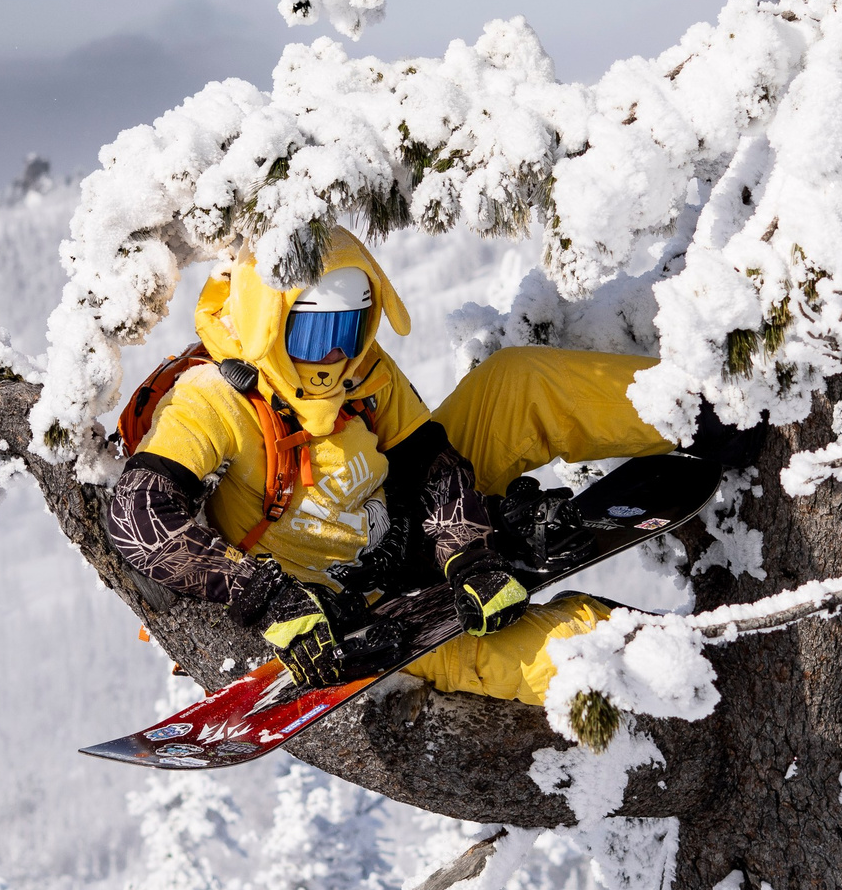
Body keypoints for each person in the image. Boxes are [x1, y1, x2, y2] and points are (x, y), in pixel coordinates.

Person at [101, 228, 754, 705]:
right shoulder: (214, 400)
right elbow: (137, 515)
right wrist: (262, 593)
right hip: (335, 615)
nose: (333, 355)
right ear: (269, 323)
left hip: (406, 538)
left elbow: (428, 463)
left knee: (514, 382)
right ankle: (685, 673)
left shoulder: (362, 371)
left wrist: (465, 551)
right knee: (541, 657)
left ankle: (709, 410)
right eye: (310, 335)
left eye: (351, 329)